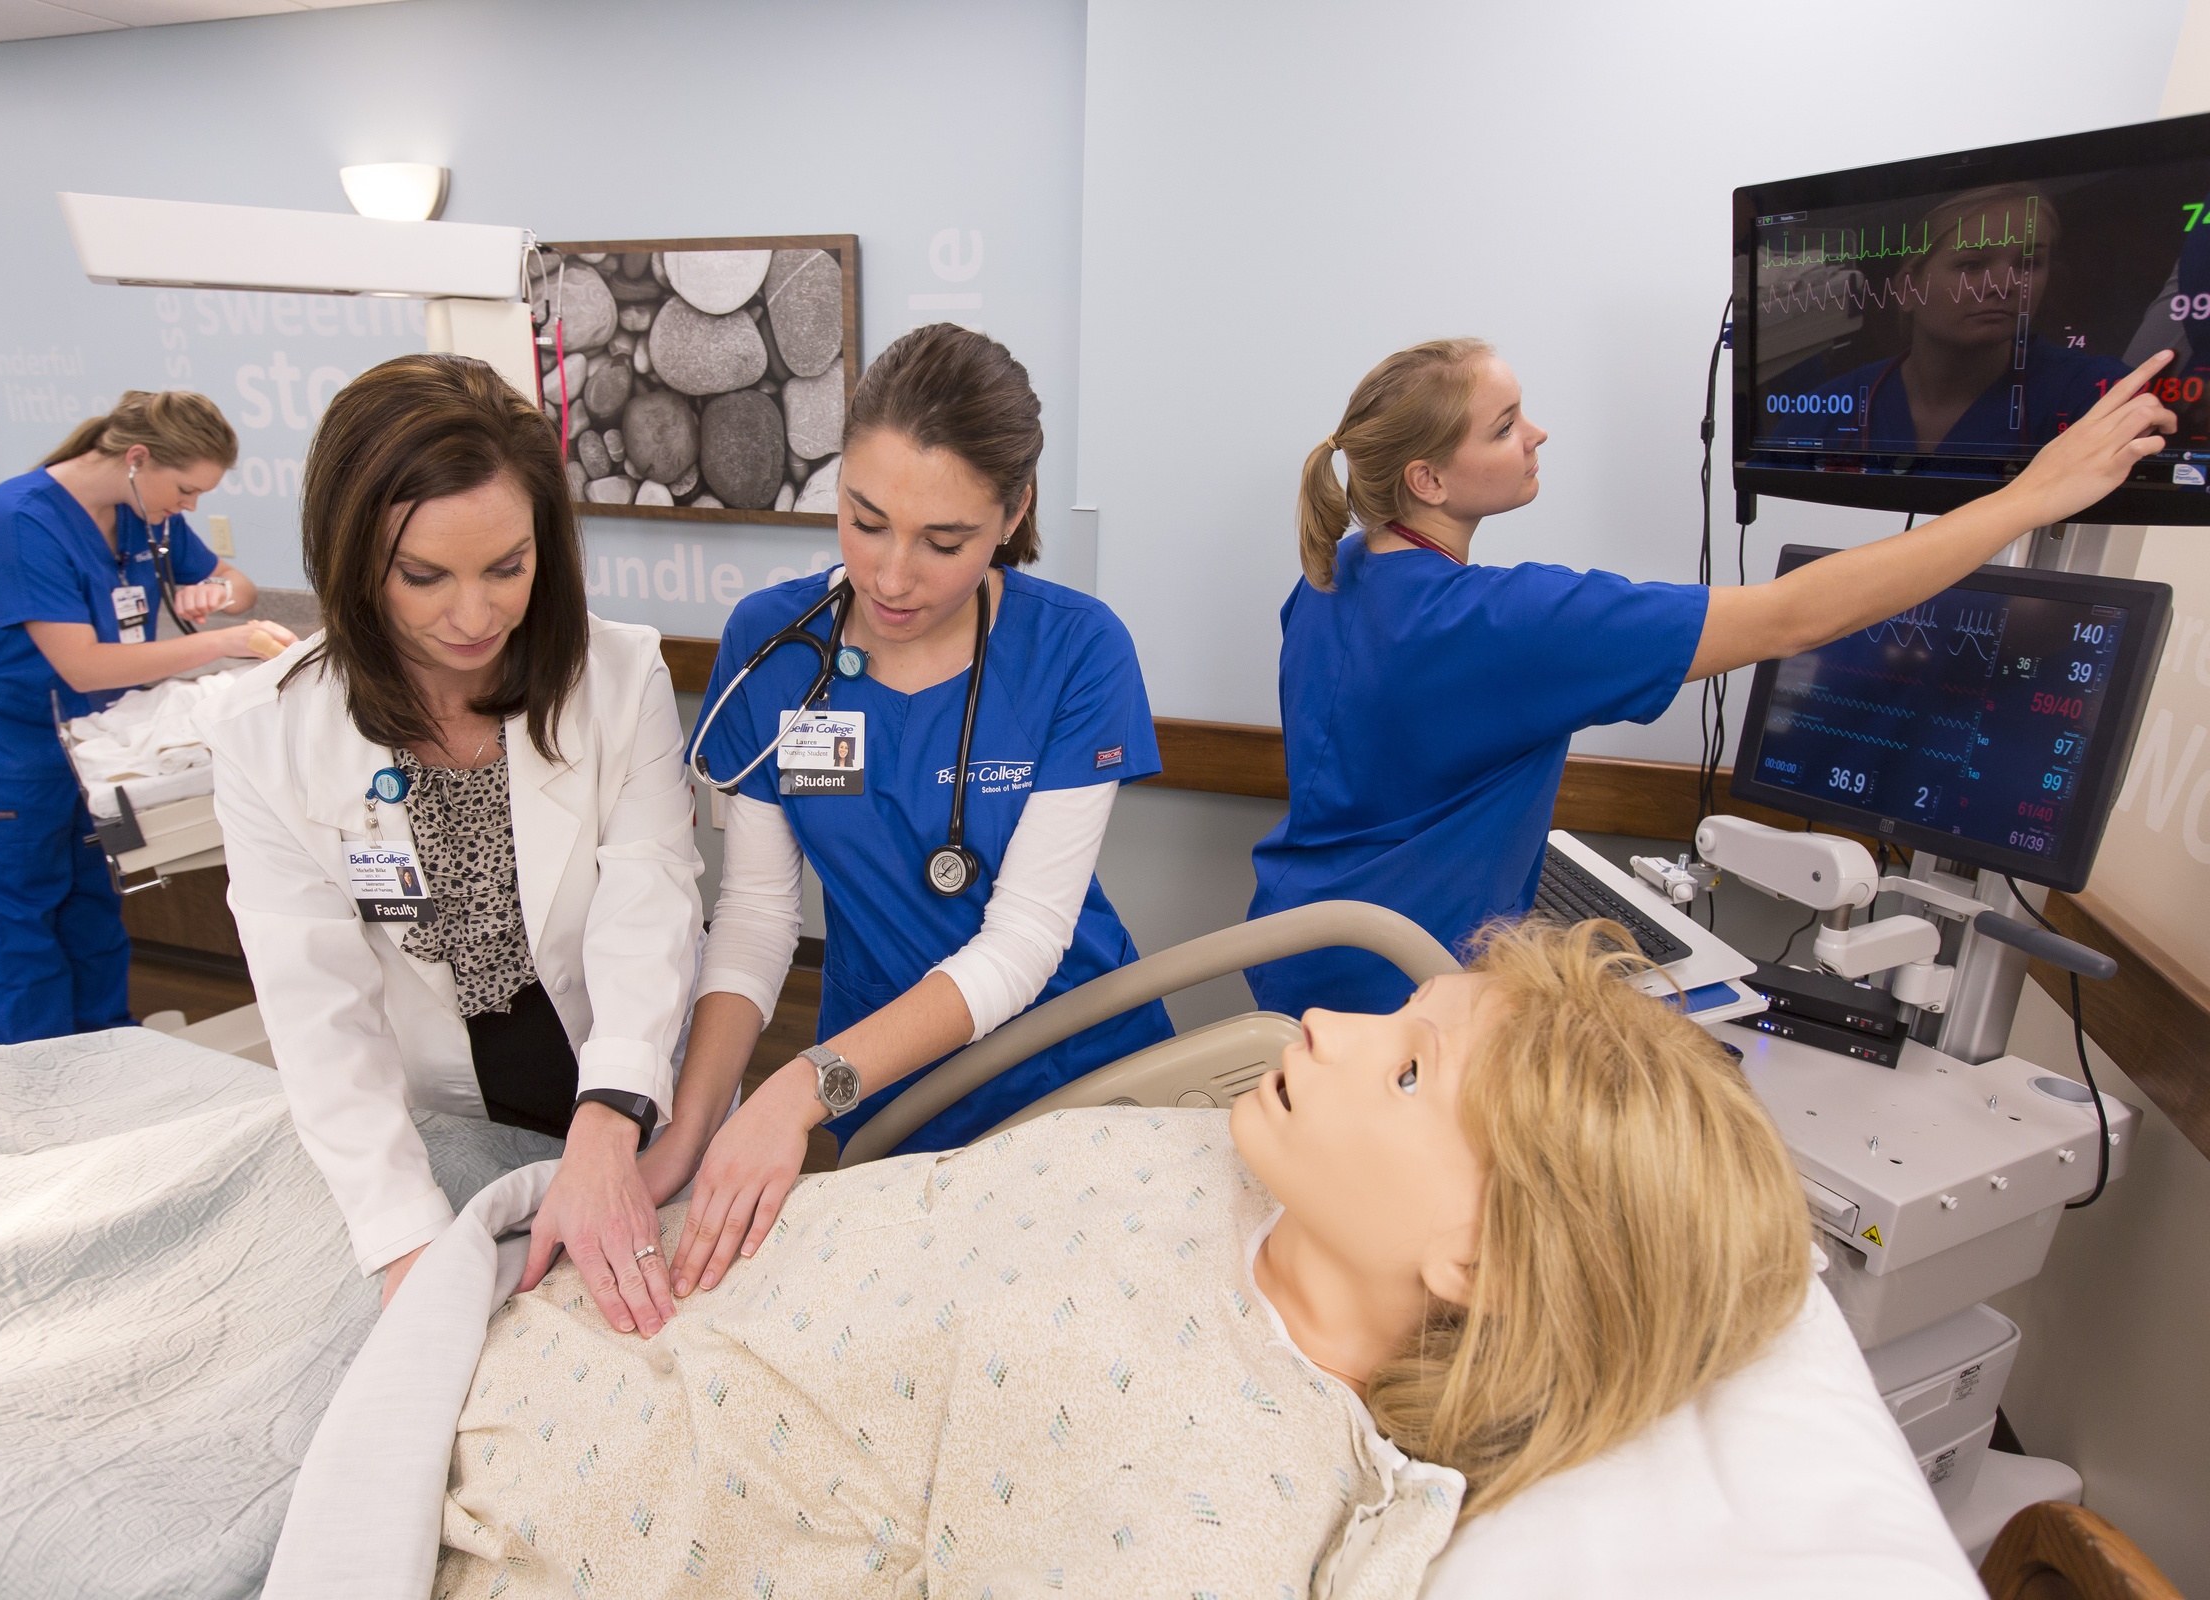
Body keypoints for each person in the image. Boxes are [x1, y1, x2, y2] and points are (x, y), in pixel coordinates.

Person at [428, 919, 1812, 1597]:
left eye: (1406, 1075)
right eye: (1398, 1018)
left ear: (1484, 1259)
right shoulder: (1232, 1164)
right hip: (547, 1294)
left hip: (505, 1476)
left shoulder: (1202, 1501)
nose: (1325, 1023)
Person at [1247, 338, 2176, 1017]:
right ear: (1430, 481)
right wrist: (2033, 496)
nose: (1537, 432)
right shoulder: (1503, 622)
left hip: (1300, 947)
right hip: (1398, 990)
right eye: (1503, 425)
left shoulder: (1336, 576)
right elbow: (1794, 615)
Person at [663, 324, 1174, 1301]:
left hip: (1082, 1073)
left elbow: (1024, 941)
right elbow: (761, 916)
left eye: (944, 542)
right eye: (864, 520)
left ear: (1011, 512)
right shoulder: (774, 650)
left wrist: (801, 1085)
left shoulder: (1076, 652)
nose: (892, 576)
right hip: (885, 1086)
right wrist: (697, 1124)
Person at [202, 353, 704, 1330]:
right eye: (424, 576)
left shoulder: (616, 675)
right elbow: (319, 1012)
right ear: (352, 558)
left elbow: (650, 905)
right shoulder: (269, 734)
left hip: (614, 1071)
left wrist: (609, 1124)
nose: (473, 616)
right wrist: (404, 1238)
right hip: (437, 1108)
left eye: (506, 568)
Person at [0, 389, 294, 1044]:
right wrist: (228, 641)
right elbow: (83, 667)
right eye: (184, 490)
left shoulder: (140, 513)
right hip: (2, 752)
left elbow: (236, 583)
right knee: (20, 928)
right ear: (138, 458)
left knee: (92, 913)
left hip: (93, 746)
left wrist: (220, 592)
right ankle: (49, 1084)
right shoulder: (15, 517)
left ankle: (109, 1059)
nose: (189, 507)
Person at [1774, 185, 2131, 455]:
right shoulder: (1822, 413)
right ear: (1909, 288)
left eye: (2028, 264)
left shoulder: (2096, 394)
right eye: (1972, 265)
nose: (2006, 285)